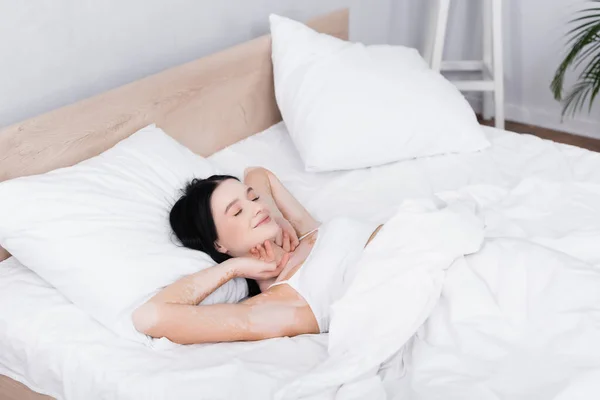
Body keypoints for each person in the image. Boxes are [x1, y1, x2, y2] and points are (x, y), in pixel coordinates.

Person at [132, 167, 383, 344]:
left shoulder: (303, 231)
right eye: (238, 211)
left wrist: (278, 216)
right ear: (218, 244)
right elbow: (149, 316)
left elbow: (258, 172)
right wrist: (234, 268)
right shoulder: (281, 303)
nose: (257, 206)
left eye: (253, 197)